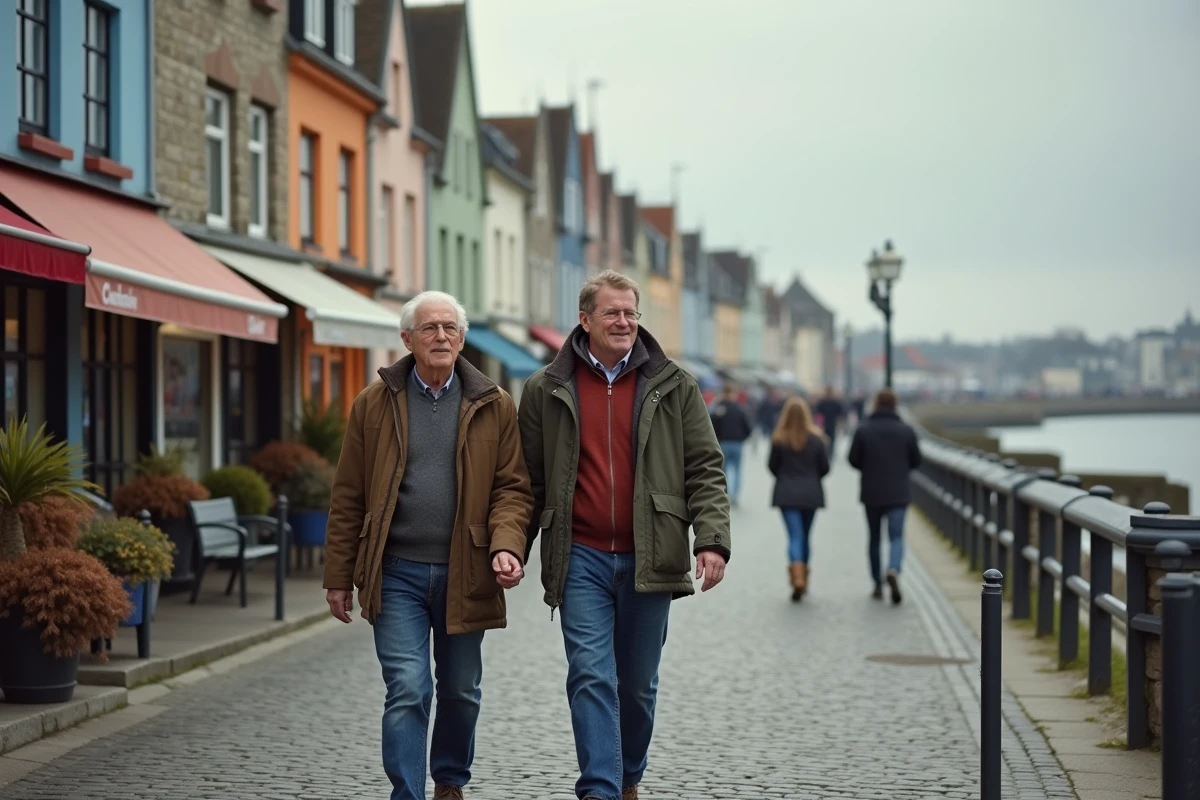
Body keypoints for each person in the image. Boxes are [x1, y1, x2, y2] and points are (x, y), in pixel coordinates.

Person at [518, 269, 731, 800]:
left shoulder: (675, 384)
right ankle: (601, 789)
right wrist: (510, 548)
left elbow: (704, 465)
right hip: (580, 556)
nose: (623, 321)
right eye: (612, 312)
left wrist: (711, 538)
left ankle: (627, 775)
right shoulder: (545, 389)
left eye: (631, 312)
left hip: (650, 556)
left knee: (637, 688)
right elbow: (526, 481)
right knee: (591, 676)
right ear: (585, 319)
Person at [323, 291, 533, 800]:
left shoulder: (494, 404)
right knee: (408, 689)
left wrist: (507, 545)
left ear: (462, 338)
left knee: (461, 692)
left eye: (449, 328)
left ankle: (449, 778)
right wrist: (337, 576)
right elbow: (348, 493)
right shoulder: (373, 404)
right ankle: (408, 793)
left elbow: (512, 489)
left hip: (467, 571)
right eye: (429, 329)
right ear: (407, 339)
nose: (441, 337)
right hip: (395, 573)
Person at [847, 388, 922, 604]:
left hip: (872, 492)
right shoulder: (906, 430)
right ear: (895, 405)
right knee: (897, 536)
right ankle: (894, 569)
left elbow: (853, 459)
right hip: (898, 491)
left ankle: (877, 584)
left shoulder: (863, 429)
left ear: (876, 404)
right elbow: (916, 460)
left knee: (874, 538)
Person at [767, 396, 830, 602]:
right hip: (811, 493)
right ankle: (804, 577)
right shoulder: (817, 439)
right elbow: (825, 468)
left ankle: (797, 578)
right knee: (805, 536)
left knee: (794, 536)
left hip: (787, 493)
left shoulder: (779, 439)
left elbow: (772, 467)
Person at [709, 383, 753, 506]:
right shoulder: (739, 408)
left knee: (724, 470)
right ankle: (735, 495)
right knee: (737, 470)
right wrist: (742, 439)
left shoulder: (718, 408)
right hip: (737, 443)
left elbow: (710, 426)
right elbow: (748, 428)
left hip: (723, 442)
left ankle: (725, 493)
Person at [814, 386, 845, 457]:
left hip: (823, 424)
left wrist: (818, 424)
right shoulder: (835, 402)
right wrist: (838, 423)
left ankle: (825, 452)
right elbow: (839, 414)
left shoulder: (822, 402)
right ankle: (831, 453)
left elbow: (818, 414)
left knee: (823, 439)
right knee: (832, 439)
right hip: (832, 424)